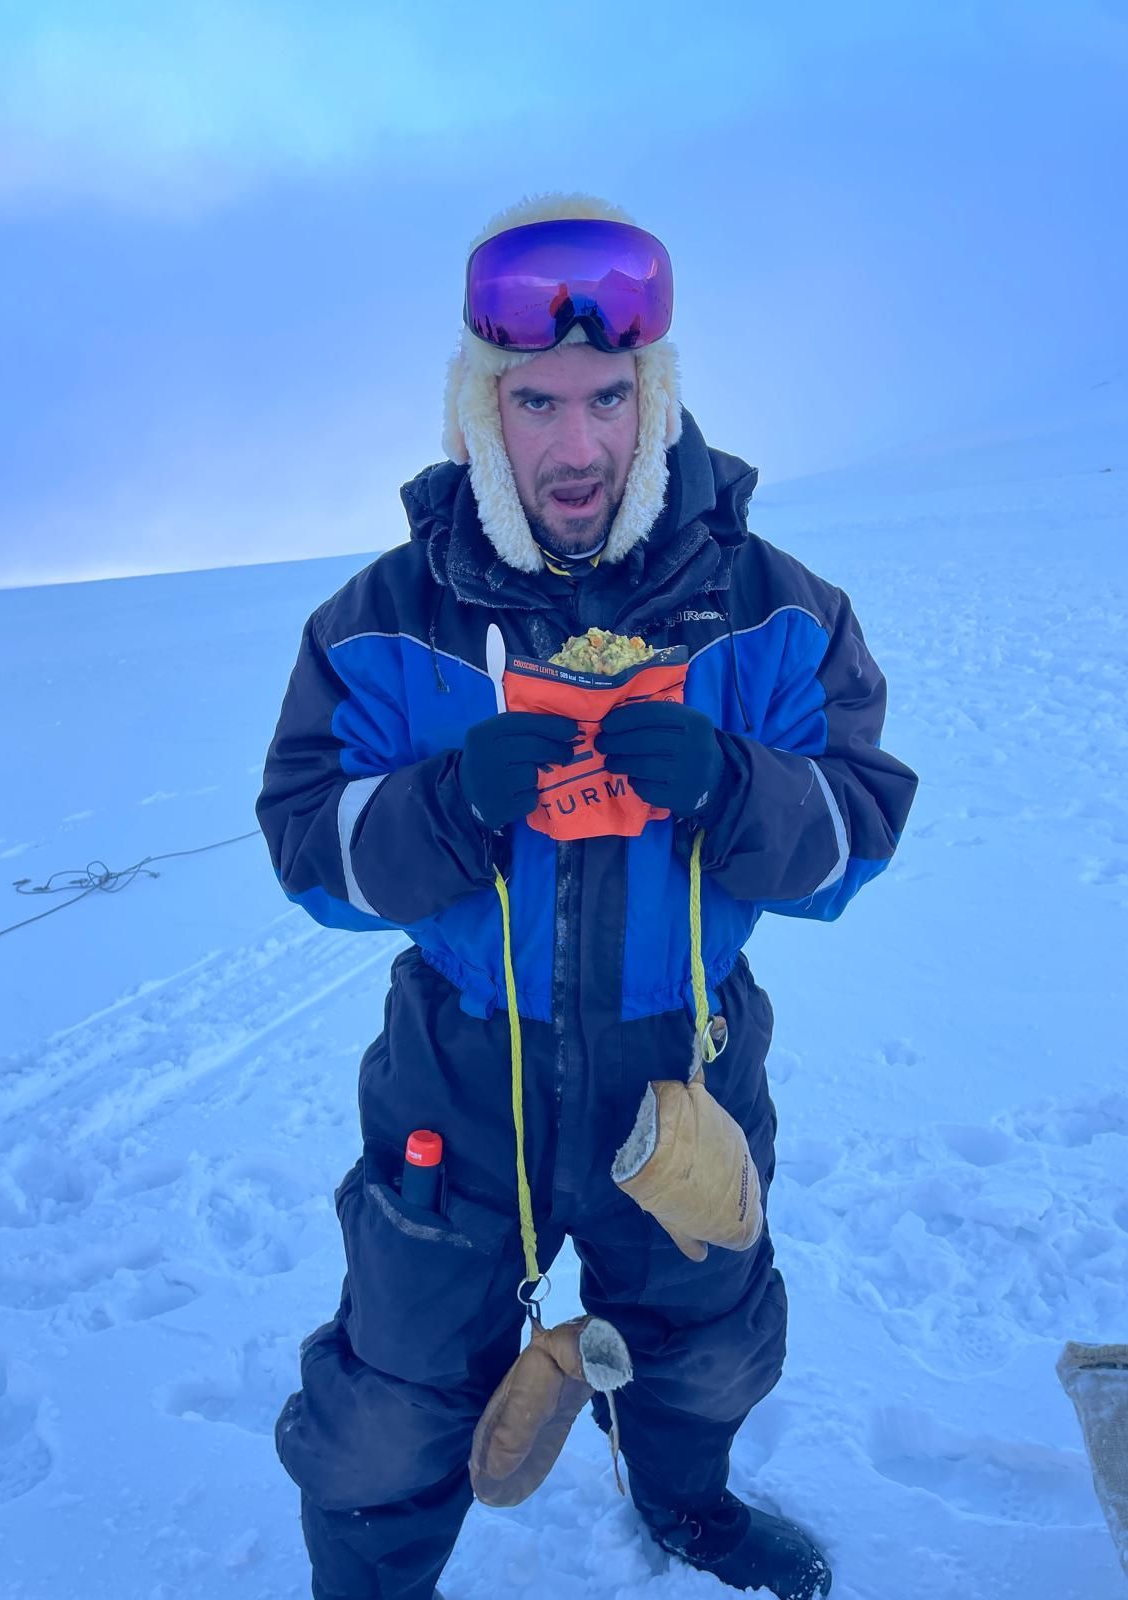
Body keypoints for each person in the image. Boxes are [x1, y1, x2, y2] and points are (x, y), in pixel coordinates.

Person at [256, 193, 918, 1600]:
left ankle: (686, 1508)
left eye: (607, 397)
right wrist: (438, 807)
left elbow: (859, 835)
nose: (574, 446)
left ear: (654, 396)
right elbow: (307, 844)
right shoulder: (383, 621)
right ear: (478, 412)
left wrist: (742, 788)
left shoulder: (776, 609)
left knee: (709, 1338)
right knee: (394, 1384)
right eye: (534, 401)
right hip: (458, 1066)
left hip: (685, 1056)